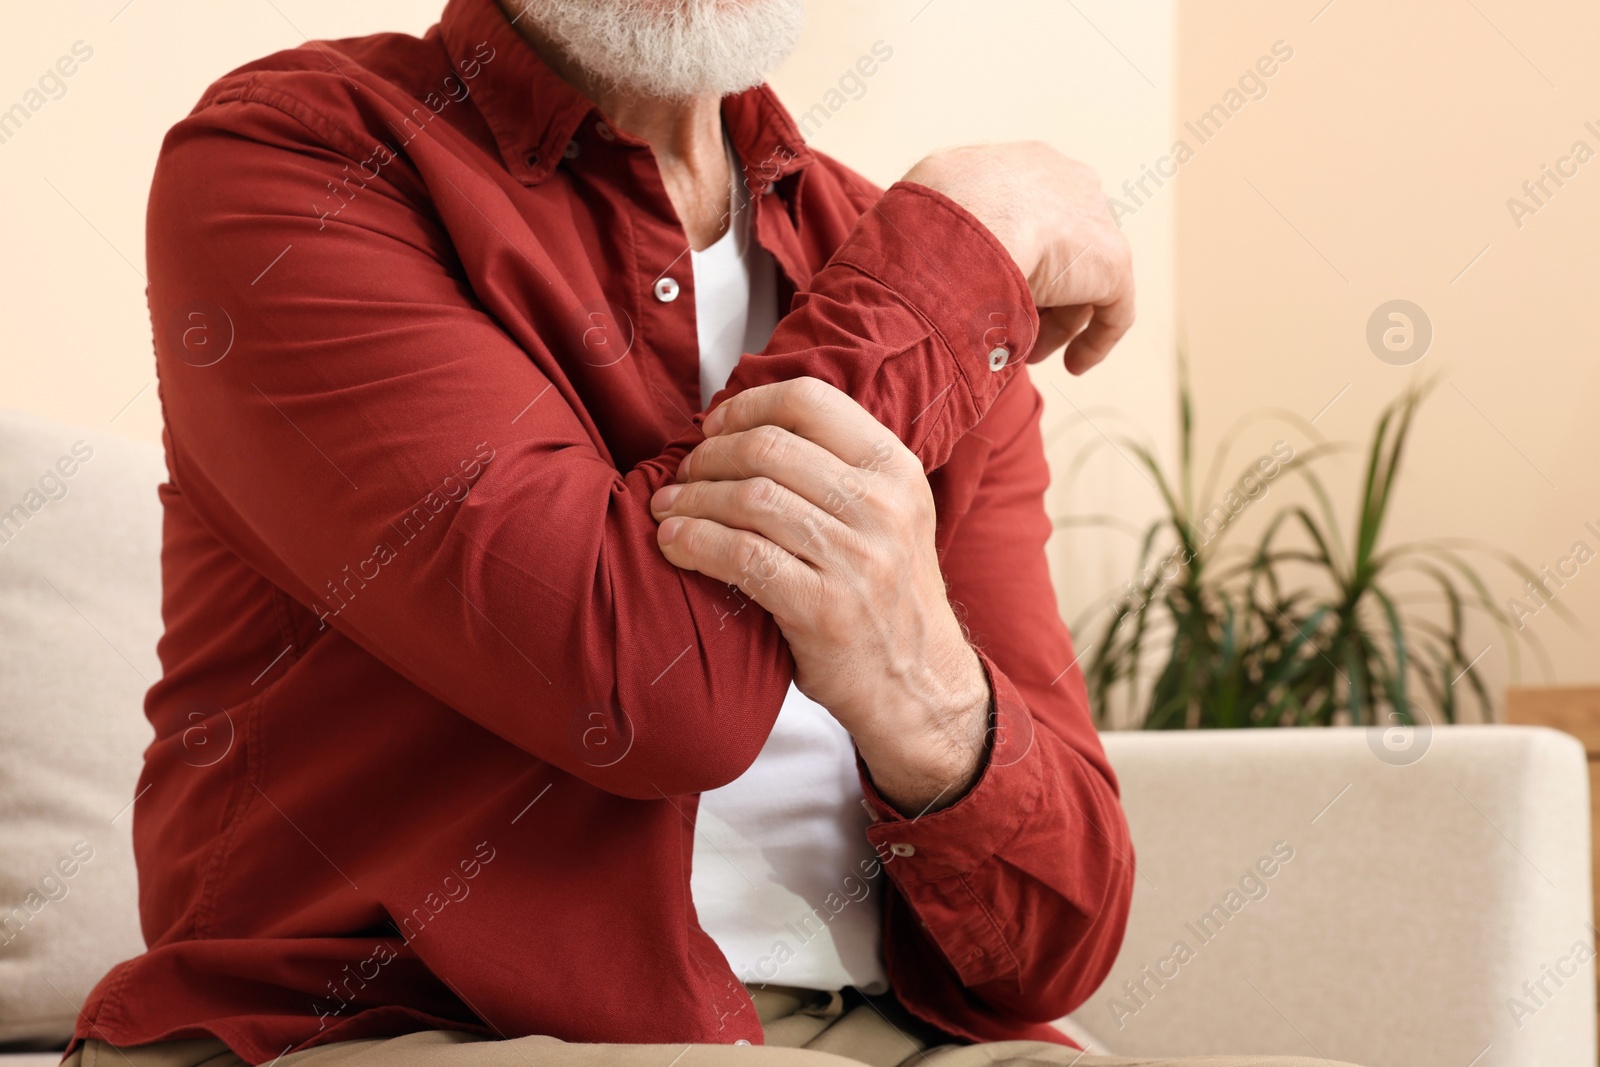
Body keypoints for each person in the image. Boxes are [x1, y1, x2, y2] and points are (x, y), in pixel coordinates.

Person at [66, 1, 1359, 1065]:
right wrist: (966, 246)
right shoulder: (296, 162)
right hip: (417, 1026)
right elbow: (653, 699)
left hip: (892, 1028)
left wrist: (917, 682)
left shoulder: (898, 262)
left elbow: (1056, 942)